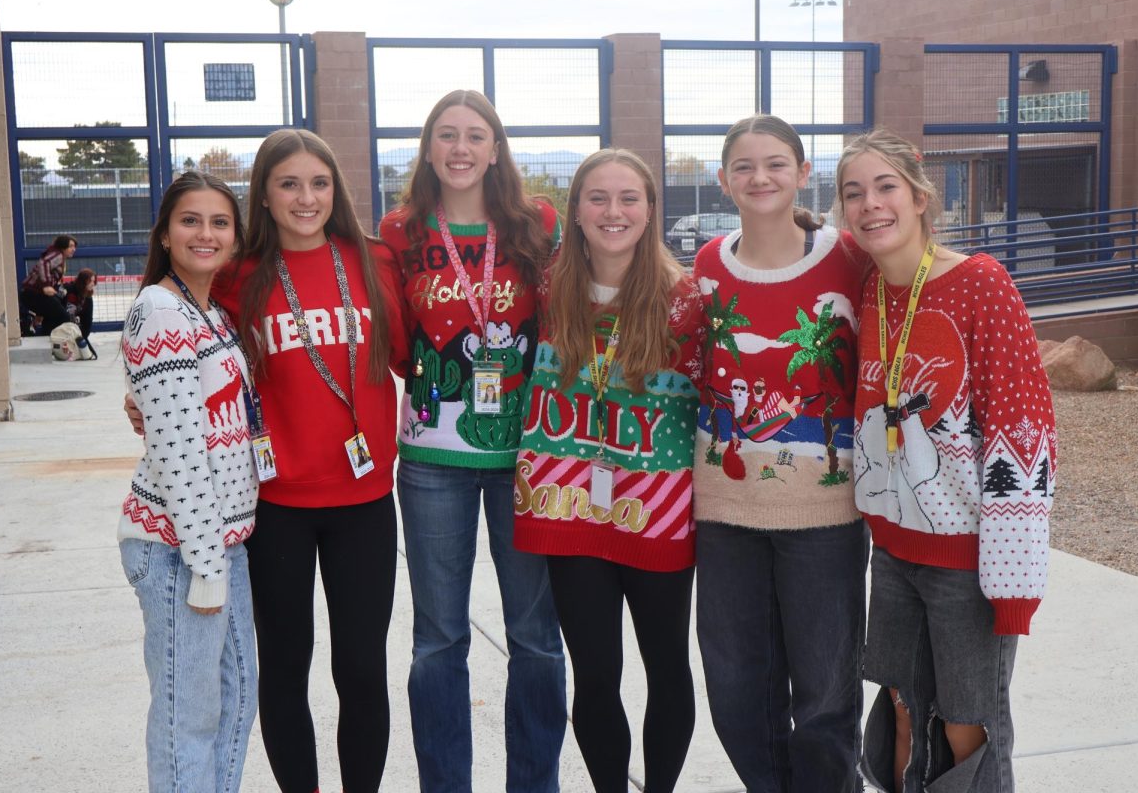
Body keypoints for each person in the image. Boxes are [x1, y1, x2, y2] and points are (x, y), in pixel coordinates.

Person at [126, 128, 408, 792]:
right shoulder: (238, 272)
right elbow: (185, 339)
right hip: (277, 506)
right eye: (288, 184)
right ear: (265, 195)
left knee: (363, 669)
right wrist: (140, 394)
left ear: (335, 190)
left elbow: (415, 357)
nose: (305, 198)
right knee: (284, 668)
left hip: (365, 502)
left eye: (318, 183)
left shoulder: (373, 260)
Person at [836, 128, 1055, 793]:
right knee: (902, 715)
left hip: (965, 563)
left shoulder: (980, 284)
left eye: (885, 187)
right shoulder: (871, 289)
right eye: (854, 192)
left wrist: (1013, 588)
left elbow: (1024, 433)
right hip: (895, 554)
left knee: (968, 729)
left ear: (921, 196)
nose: (871, 204)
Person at [378, 89, 566, 793]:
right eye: (447, 135)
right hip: (432, 463)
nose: (461, 148)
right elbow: (394, 340)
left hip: (528, 459)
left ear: (496, 149)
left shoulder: (536, 222)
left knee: (537, 642)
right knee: (438, 642)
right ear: (428, 148)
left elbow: (567, 316)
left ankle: (534, 785)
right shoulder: (399, 231)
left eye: (475, 135)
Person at [513, 148, 705, 793]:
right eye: (598, 197)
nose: (613, 211)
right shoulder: (546, 289)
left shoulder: (686, 301)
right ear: (575, 210)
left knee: (666, 667)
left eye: (629, 198)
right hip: (568, 505)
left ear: (651, 211)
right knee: (594, 672)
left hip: (657, 506)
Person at [690, 114, 871, 792]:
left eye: (775, 164)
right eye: (743, 165)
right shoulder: (709, 266)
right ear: (723, 180)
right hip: (725, 511)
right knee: (736, 689)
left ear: (802, 173)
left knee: (825, 697)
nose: (759, 177)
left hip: (825, 517)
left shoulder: (847, 258)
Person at [117, 171, 258, 792]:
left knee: (236, 695)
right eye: (191, 221)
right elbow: (177, 452)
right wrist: (205, 563)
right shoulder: (159, 309)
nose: (206, 233)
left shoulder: (213, 312)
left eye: (220, 222)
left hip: (222, 543)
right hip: (179, 547)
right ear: (167, 235)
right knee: (187, 714)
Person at [20, 234, 75, 335]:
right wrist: (46, 286)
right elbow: (44, 263)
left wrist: (40, 312)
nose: (74, 249)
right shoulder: (58, 255)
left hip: (32, 293)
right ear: (63, 246)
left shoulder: (57, 255)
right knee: (63, 317)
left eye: (74, 246)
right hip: (33, 293)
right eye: (70, 246)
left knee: (52, 316)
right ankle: (52, 339)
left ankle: (47, 338)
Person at [64, 268, 98, 358]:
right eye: (90, 281)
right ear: (83, 281)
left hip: (76, 330)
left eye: (94, 281)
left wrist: (82, 337)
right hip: (62, 325)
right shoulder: (67, 289)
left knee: (88, 355)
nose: (93, 284)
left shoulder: (88, 298)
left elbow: (88, 321)